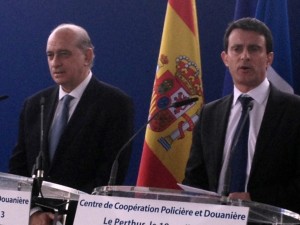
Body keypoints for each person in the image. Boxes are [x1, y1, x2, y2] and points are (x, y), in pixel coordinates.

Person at [9, 23, 134, 224]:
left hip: (83, 218)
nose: (55, 63)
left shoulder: (115, 104)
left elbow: (109, 176)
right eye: (50, 55)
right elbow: (18, 167)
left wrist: (62, 215)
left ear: (88, 56)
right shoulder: (35, 104)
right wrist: (33, 213)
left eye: (64, 54)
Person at [183, 17, 300, 214]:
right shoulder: (210, 114)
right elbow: (194, 178)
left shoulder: (294, 111)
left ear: (268, 58)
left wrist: (256, 199)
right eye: (237, 49)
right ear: (225, 58)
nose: (245, 56)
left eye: (254, 49)